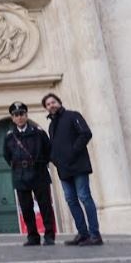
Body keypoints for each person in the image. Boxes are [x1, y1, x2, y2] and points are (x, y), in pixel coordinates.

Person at [42, 93, 103, 246]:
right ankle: (83, 234)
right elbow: (54, 146)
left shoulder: (73, 116)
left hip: (78, 166)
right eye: (48, 104)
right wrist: (54, 159)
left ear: (59, 102)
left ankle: (95, 235)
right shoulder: (51, 125)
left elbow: (85, 133)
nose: (51, 105)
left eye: (53, 102)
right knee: (70, 200)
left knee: (84, 197)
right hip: (63, 169)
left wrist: (73, 151)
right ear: (46, 108)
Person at [3, 102, 56, 246]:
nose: (19, 117)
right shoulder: (9, 137)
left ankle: (49, 235)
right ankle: (33, 236)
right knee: (26, 208)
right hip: (20, 175)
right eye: (16, 115)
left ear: (26, 115)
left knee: (45, 206)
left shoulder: (38, 132)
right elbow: (7, 156)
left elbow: (48, 150)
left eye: (21, 114)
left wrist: (39, 164)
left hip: (39, 173)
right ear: (12, 118)